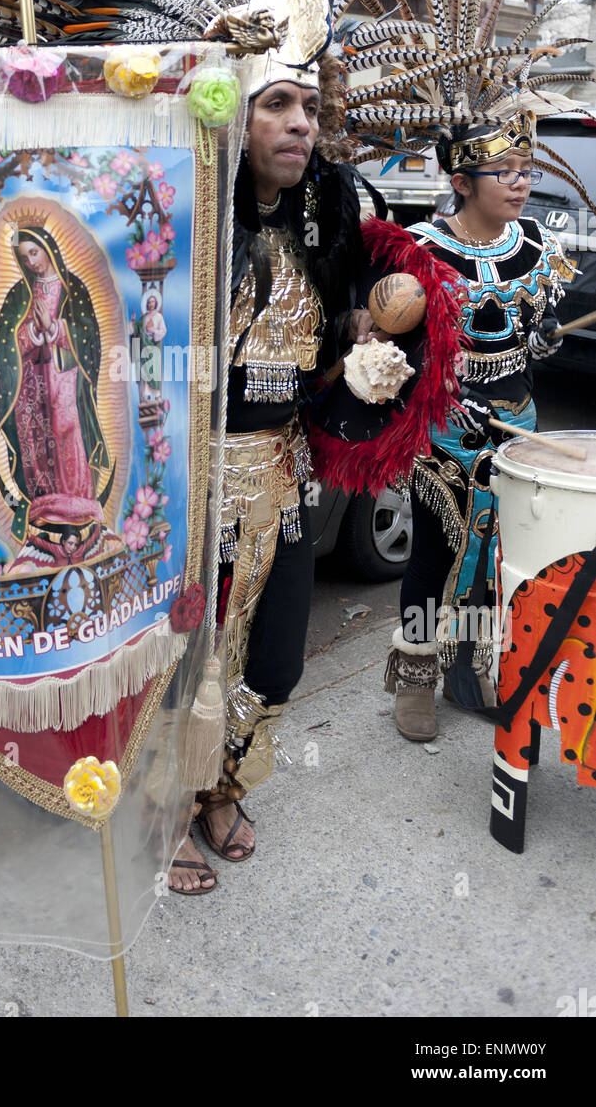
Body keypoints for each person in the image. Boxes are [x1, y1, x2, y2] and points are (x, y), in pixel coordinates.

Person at [169, 51, 374, 892]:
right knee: (186, 658)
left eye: (310, 108)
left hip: (283, 475)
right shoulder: (178, 215)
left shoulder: (326, 216)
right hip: (189, 483)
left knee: (274, 658)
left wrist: (363, 359)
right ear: (228, 116)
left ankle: (222, 787)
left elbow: (325, 354)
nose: (300, 124)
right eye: (277, 104)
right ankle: (164, 811)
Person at [386, 113, 575, 740]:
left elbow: (530, 332)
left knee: (499, 551)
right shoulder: (421, 249)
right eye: (505, 174)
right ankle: (414, 676)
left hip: (518, 422)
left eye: (525, 172)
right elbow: (388, 344)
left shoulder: (532, 241)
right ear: (462, 181)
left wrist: (539, 339)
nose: (520, 184)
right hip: (446, 430)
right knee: (439, 554)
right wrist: (432, 383)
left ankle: (469, 669)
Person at [0, 223, 114, 556]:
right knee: (37, 446)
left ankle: (80, 511)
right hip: (30, 387)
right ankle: (45, 516)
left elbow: (89, 338)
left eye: (35, 252)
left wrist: (57, 328)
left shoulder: (73, 289)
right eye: (24, 257)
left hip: (64, 380)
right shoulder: (19, 295)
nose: (31, 262)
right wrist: (31, 331)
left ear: (48, 248)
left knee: (67, 436)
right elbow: (4, 344)